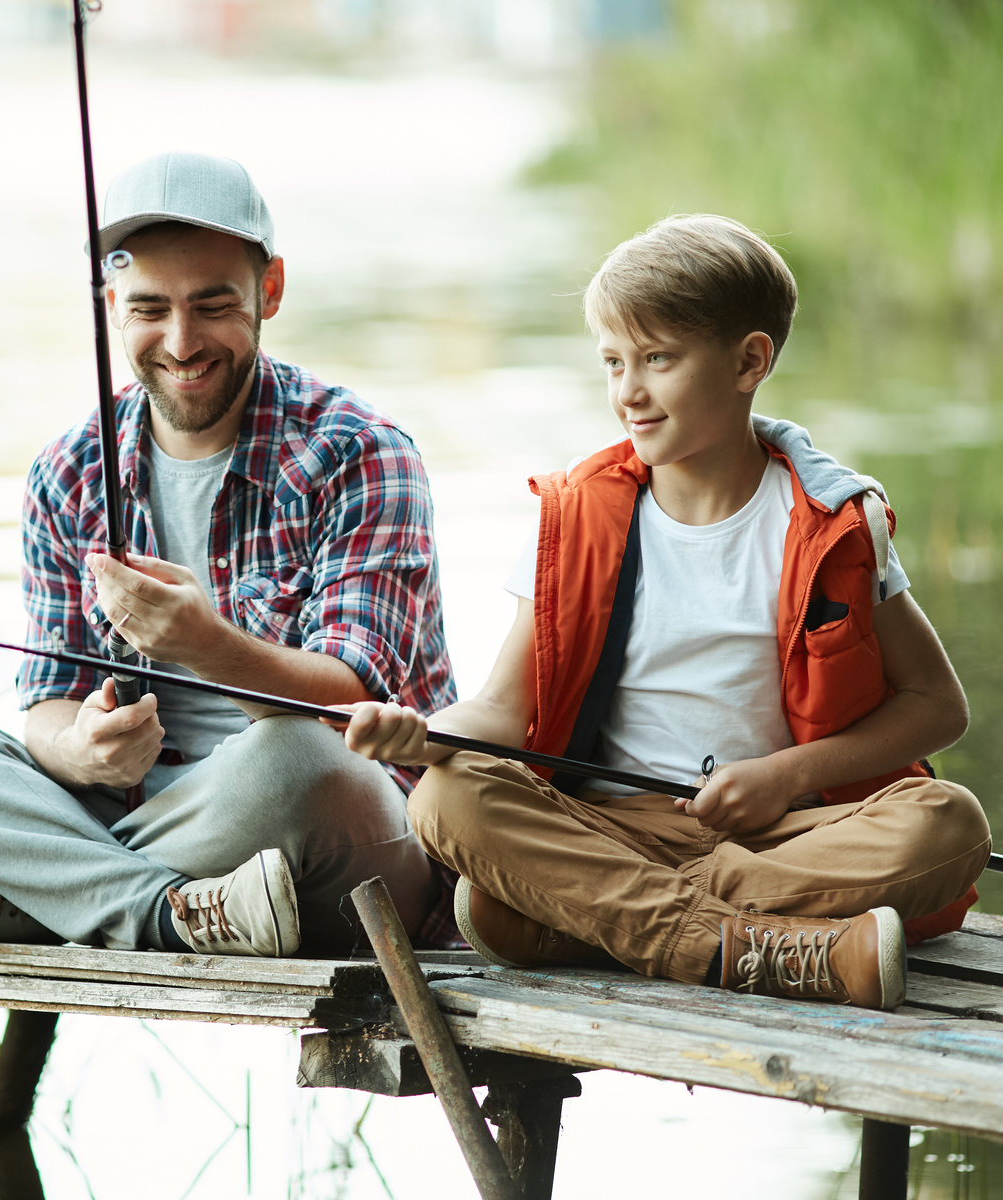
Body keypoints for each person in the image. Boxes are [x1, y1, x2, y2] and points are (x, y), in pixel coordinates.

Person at [337, 214, 991, 1009]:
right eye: (613, 362)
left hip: (784, 835)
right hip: (613, 829)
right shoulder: (573, 520)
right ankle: (748, 947)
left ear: (751, 360)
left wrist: (787, 775)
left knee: (948, 823)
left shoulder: (831, 524)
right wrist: (423, 732)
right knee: (445, 795)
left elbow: (937, 707)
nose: (628, 392)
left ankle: (592, 917)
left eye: (658, 359)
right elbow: (503, 712)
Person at [0, 152, 456, 958]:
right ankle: (165, 913)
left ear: (268, 291)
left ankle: (39, 890)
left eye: (213, 305)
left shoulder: (359, 453)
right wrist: (81, 748)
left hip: (339, 833)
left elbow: (353, 707)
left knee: (298, 756)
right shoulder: (69, 470)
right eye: (148, 308)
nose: (180, 342)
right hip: (151, 815)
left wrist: (203, 645)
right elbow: (47, 702)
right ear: (111, 304)